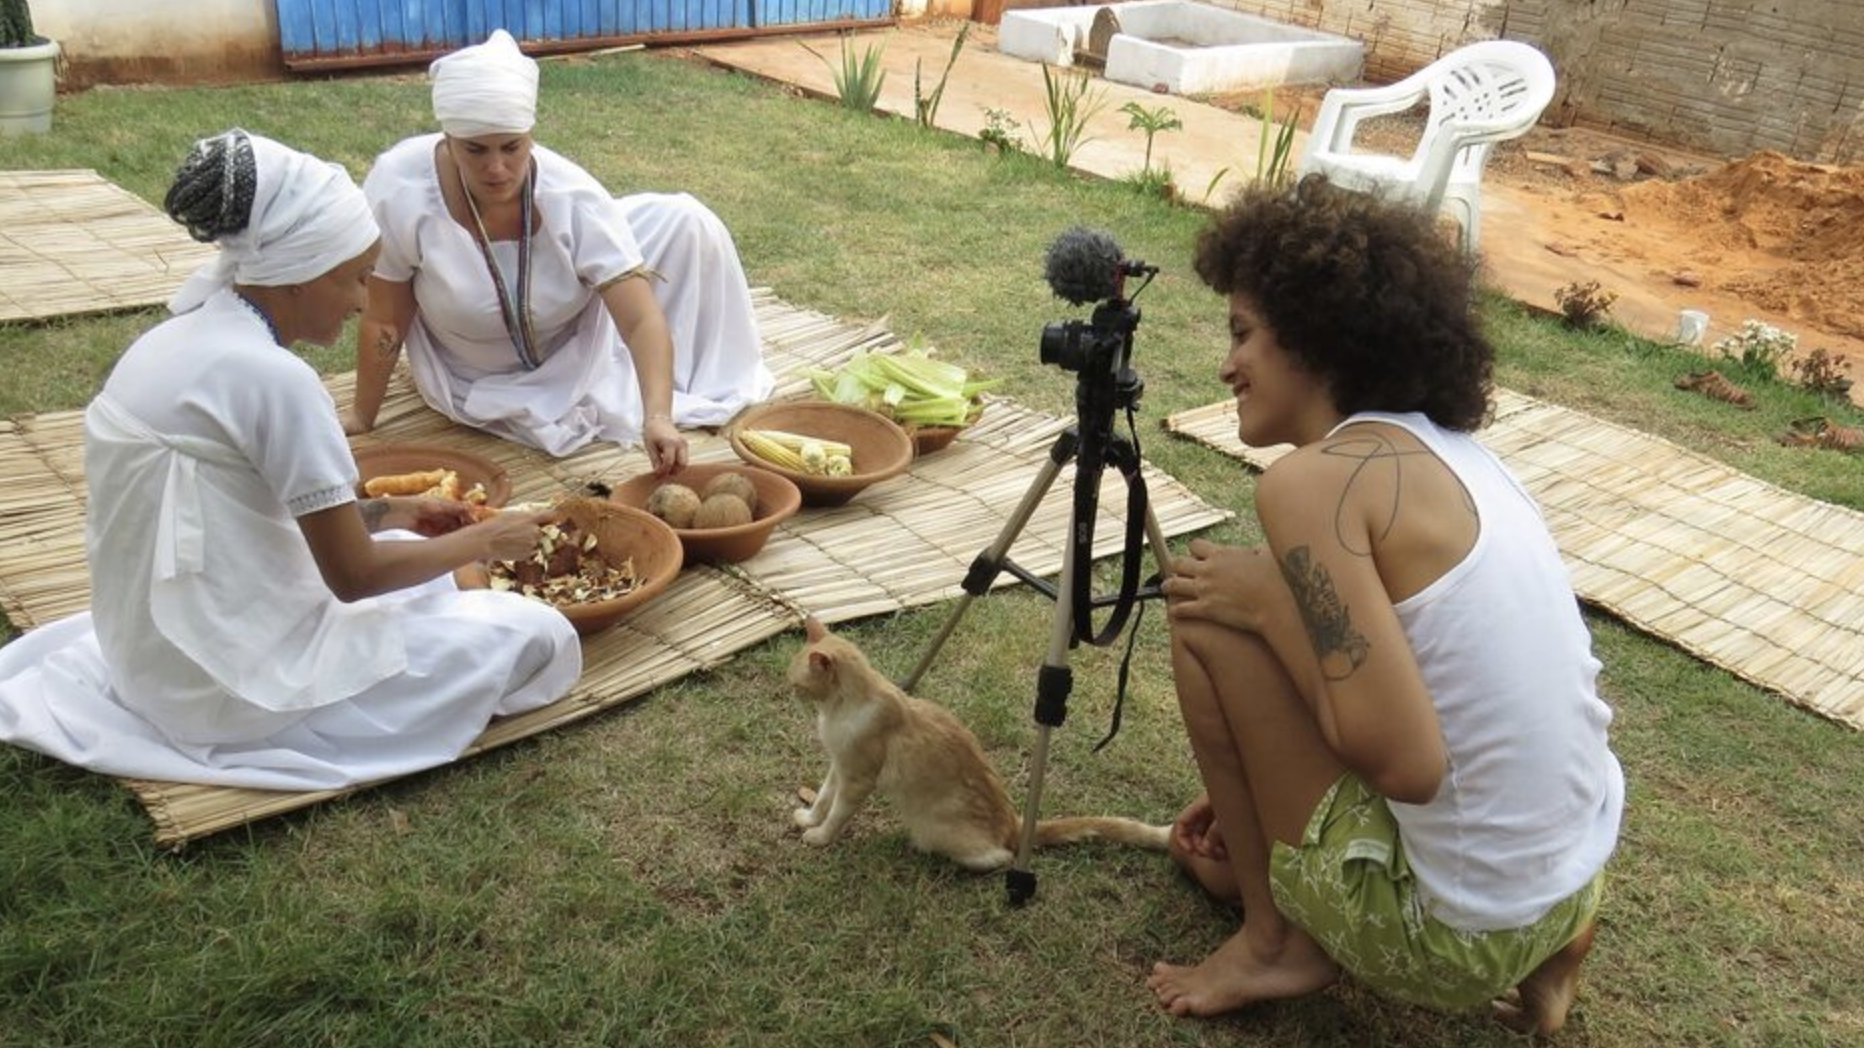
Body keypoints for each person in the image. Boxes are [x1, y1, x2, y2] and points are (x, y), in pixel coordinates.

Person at [1147, 176, 1624, 1035]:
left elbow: (1408, 765)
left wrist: (1268, 609)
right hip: (1568, 883)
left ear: (1313, 336)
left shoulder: (1313, 483)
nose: (1227, 365)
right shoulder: (1460, 457)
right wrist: (1259, 772)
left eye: (1242, 332)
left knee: (1210, 614)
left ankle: (1272, 944)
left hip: (1449, 939)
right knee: (1255, 597)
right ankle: (1557, 960)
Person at [0, 130, 582, 790]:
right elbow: (354, 577)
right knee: (534, 634)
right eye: (354, 278)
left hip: (148, 662)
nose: (363, 300)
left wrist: (395, 510)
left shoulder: (175, 338)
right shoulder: (276, 380)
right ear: (301, 274)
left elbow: (246, 509)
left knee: (415, 557)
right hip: (226, 692)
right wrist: (485, 539)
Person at [345, 29, 774, 466]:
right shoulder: (401, 188)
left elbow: (641, 319)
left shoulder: (571, 197)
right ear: (448, 139)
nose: (497, 168)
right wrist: (363, 416)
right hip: (470, 374)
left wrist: (658, 418)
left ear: (530, 136)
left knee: (687, 219)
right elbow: (385, 319)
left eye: (511, 147)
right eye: (475, 150)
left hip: (570, 349)